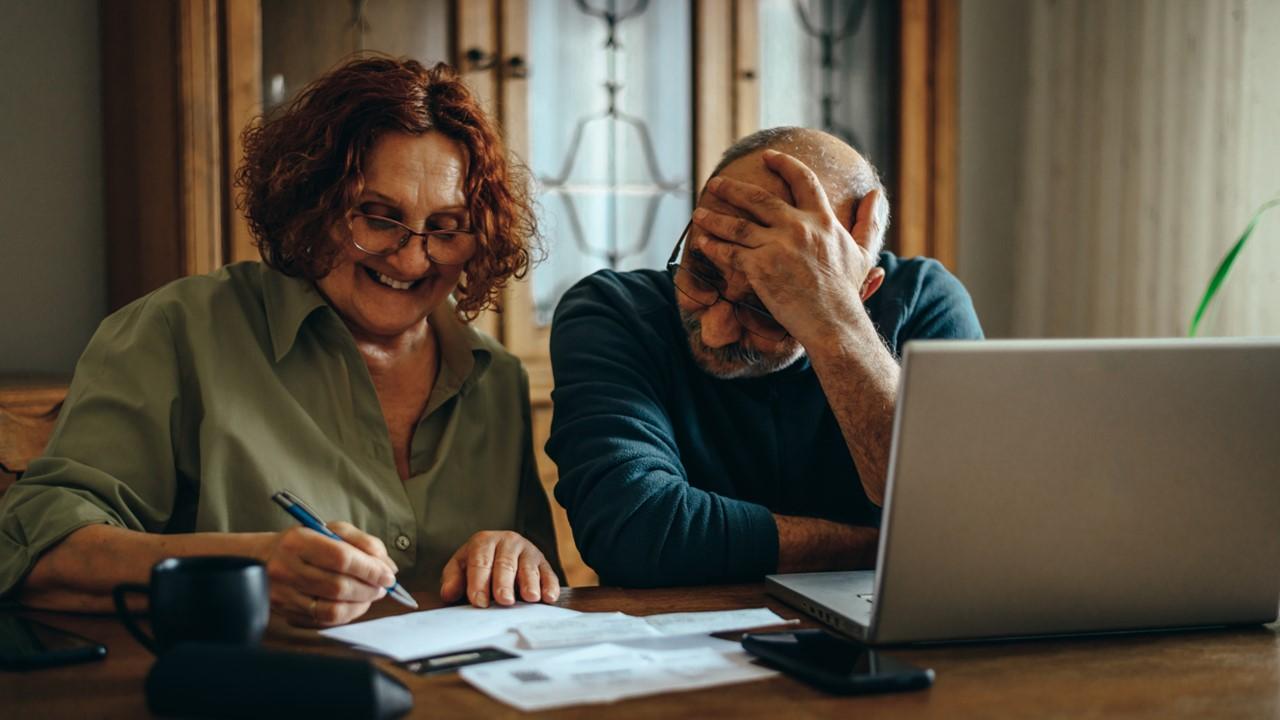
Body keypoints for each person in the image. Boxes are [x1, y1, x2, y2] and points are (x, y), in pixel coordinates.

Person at [0, 57, 561, 626]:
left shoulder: (499, 378)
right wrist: (251, 568)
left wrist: (520, 557)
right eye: (377, 216)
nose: (413, 257)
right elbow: (37, 549)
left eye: (446, 228)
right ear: (312, 204)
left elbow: (540, 589)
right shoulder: (177, 333)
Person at [547, 127, 983, 587]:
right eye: (701, 275)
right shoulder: (612, 311)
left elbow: (955, 517)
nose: (716, 334)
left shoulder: (925, 302)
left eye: (767, 308)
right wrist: (889, 549)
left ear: (861, 289)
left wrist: (834, 320)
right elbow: (636, 533)